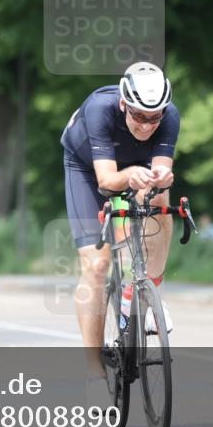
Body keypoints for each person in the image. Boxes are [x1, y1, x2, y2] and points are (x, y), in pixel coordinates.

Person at [61, 62, 179, 404]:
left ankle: (148, 290)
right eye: (139, 115)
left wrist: (162, 178)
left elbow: (160, 173)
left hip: (133, 166)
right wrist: (132, 176)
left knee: (160, 200)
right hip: (87, 168)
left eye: (154, 117)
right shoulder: (101, 109)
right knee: (97, 266)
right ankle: (94, 371)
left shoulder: (169, 116)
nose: (147, 125)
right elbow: (107, 181)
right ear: (124, 104)